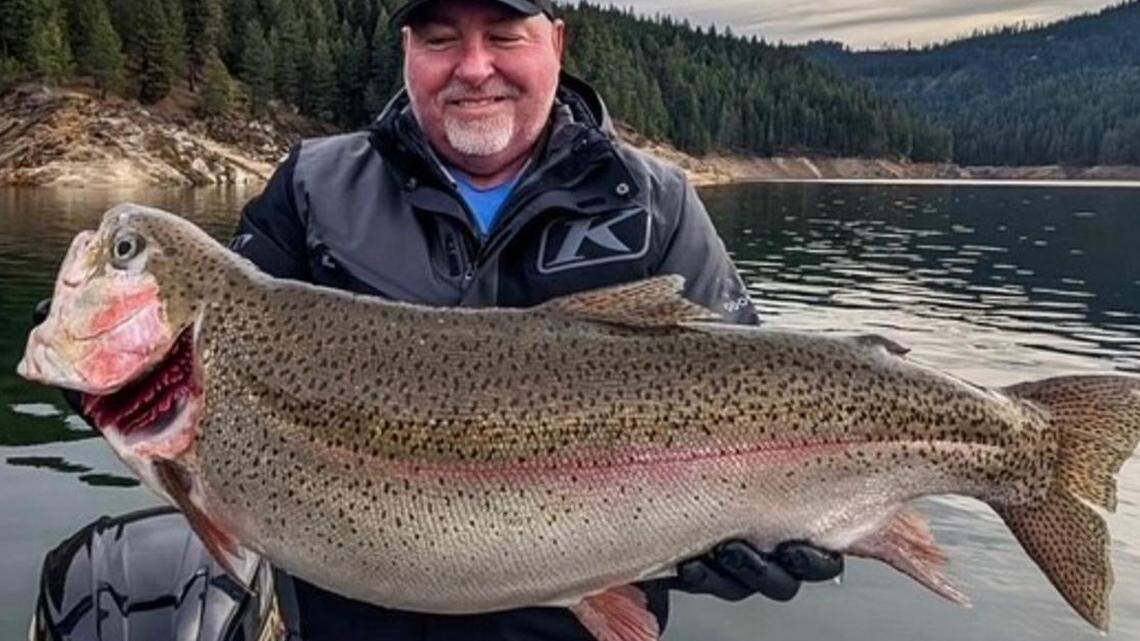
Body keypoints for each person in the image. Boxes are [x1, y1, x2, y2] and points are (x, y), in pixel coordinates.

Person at [33, 0, 843, 639]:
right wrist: (115, 380)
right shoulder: (311, 190)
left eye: (504, 34)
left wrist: (771, 525)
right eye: (441, 38)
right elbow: (226, 377)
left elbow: (762, 402)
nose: (474, 67)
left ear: (557, 42)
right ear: (407, 51)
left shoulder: (657, 206)